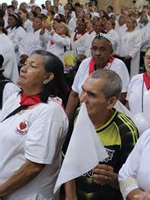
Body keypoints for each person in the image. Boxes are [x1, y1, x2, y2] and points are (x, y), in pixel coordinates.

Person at [0, 50, 68, 199]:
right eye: (24, 64)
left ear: (48, 77)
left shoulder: (50, 111)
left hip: (28, 195)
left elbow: (34, 166)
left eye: (32, 66)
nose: (23, 68)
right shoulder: (14, 99)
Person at [64, 69, 139, 200]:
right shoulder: (77, 116)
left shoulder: (126, 130)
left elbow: (133, 183)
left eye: (91, 95)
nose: (82, 99)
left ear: (111, 102)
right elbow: (67, 160)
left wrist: (113, 179)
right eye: (83, 90)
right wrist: (71, 196)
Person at [66, 35, 130, 118]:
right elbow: (74, 95)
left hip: (107, 118)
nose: (97, 53)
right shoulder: (85, 63)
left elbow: (121, 97)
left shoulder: (118, 65)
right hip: (84, 114)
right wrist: (67, 120)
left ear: (111, 52)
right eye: (94, 48)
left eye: (102, 49)